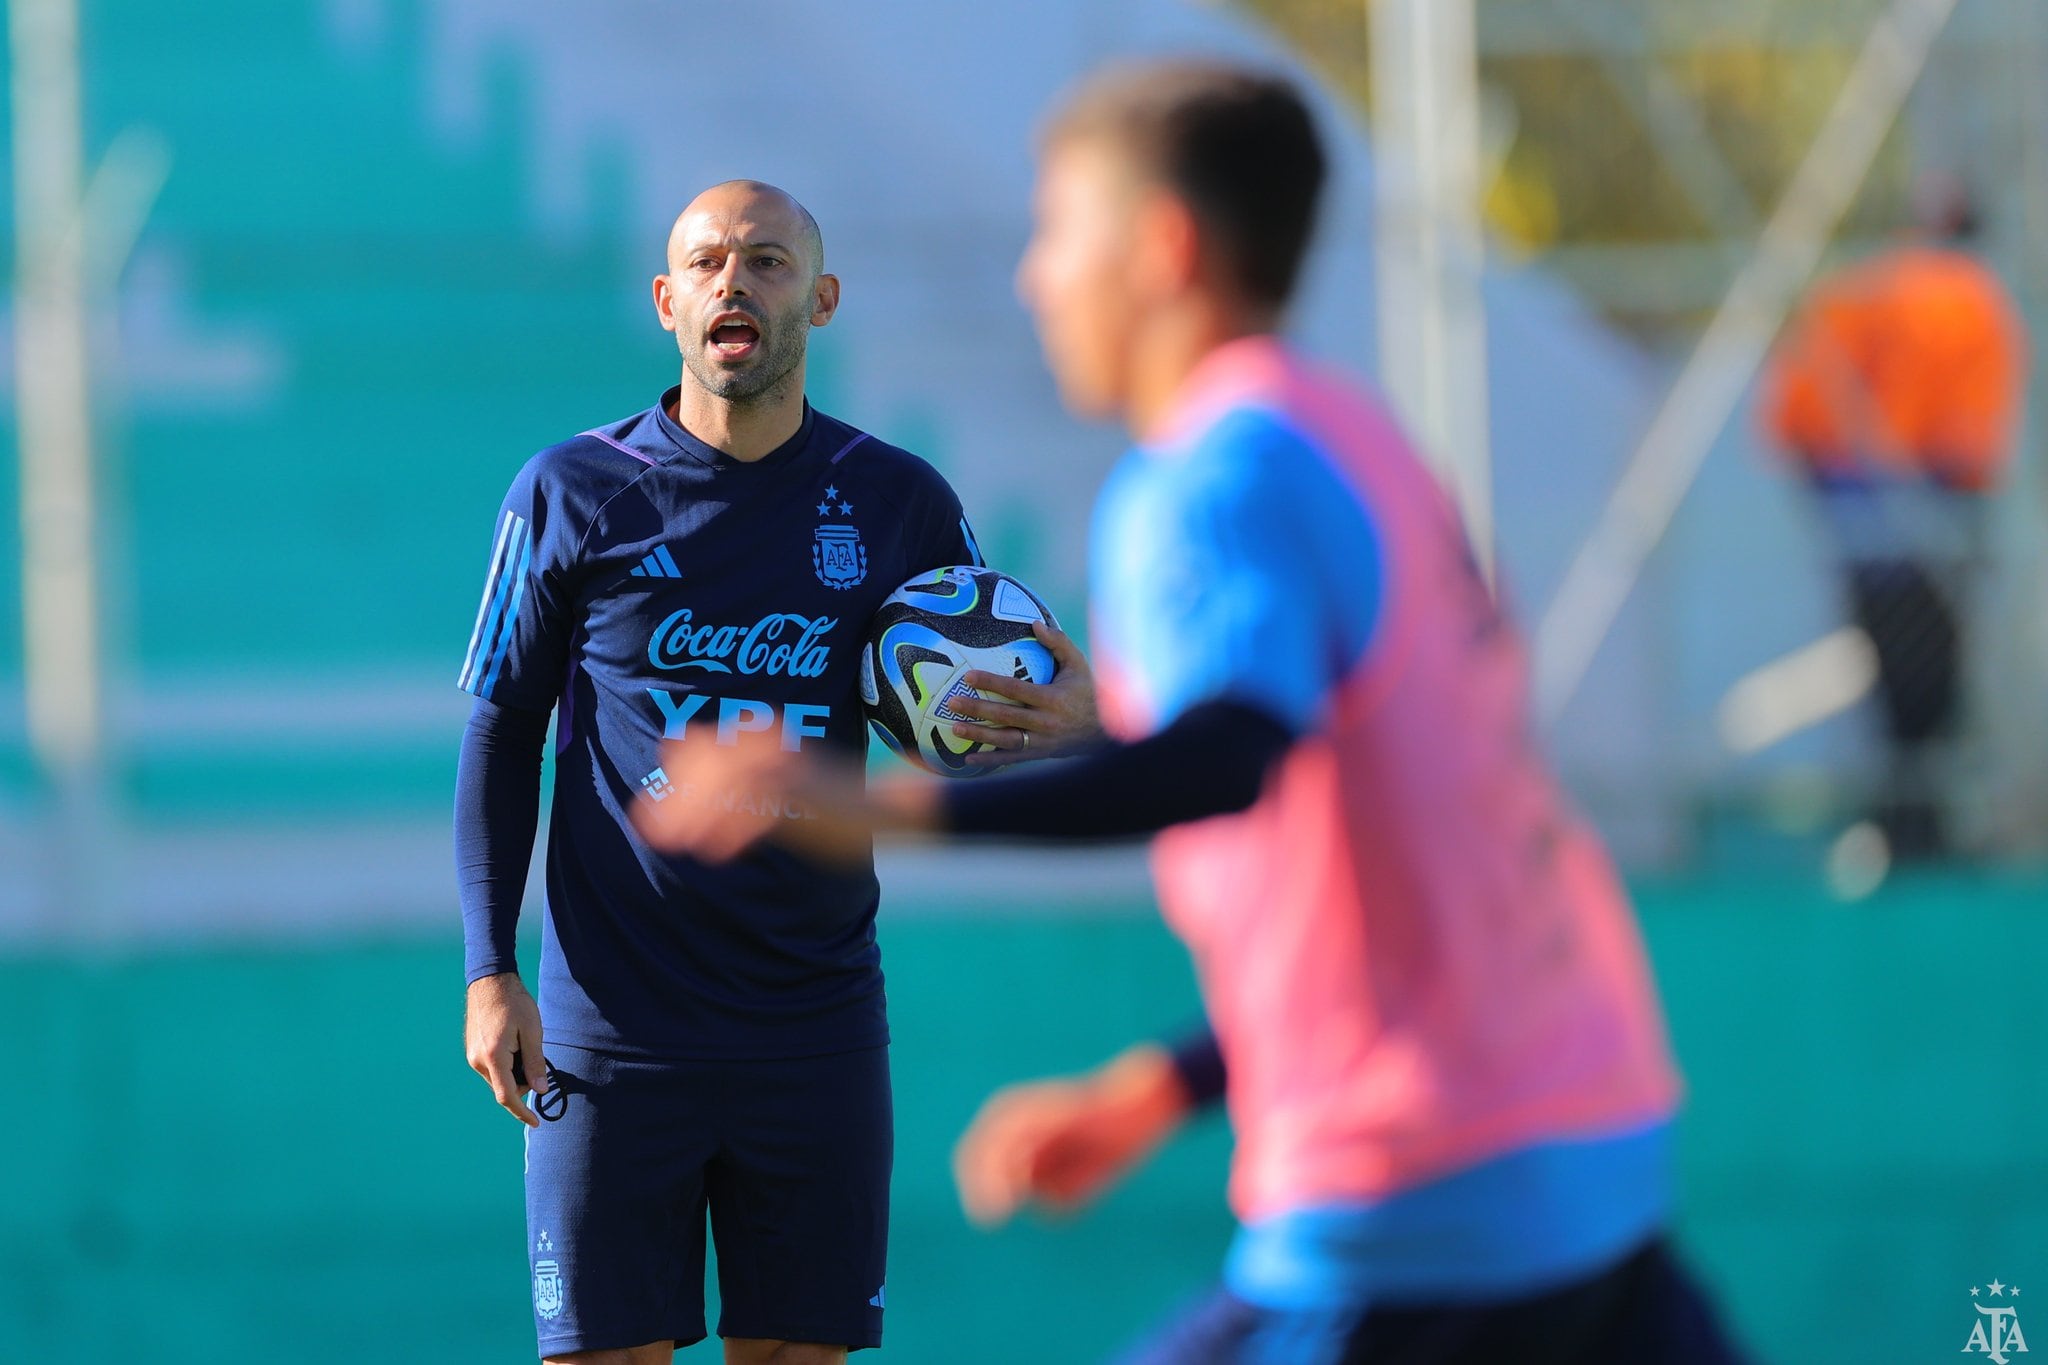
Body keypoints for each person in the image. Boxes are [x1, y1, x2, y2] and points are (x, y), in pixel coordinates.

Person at [635, 64, 1747, 1364]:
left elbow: (1224, 764)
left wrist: (858, 804)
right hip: (1586, 1152)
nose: (1034, 277)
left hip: (1422, 1212)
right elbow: (1399, 853)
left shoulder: (1206, 481)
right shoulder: (1353, 441)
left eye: (1059, 232)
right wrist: (1164, 1082)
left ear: (1162, 250)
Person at [454, 179, 1018, 1364]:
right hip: (607, 1038)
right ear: (667, 303)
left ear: (819, 299)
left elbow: (987, 703)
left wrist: (1054, 720)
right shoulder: (569, 491)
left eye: (765, 261)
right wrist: (488, 968)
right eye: (706, 263)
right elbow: (501, 732)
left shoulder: (898, 502)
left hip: (810, 1031)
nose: (732, 282)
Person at [1760, 177, 2027, 862]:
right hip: (1922, 496)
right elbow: (1962, 433)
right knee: (1927, 677)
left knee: (1897, 670)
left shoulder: (1867, 286)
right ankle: (1918, 829)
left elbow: (1794, 409)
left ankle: (1910, 823)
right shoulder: (1963, 297)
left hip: (1862, 495)